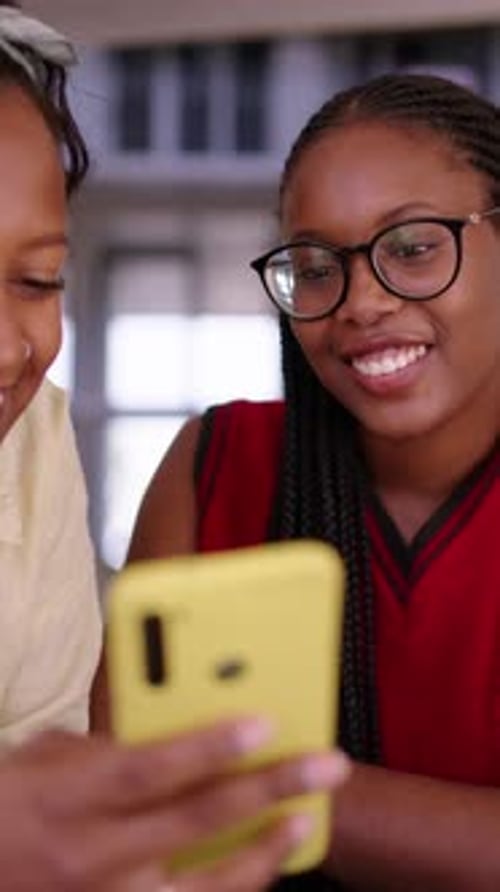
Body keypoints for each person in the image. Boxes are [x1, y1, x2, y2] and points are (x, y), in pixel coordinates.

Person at [95, 72, 500, 890]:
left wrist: (262, 796)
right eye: (315, 267)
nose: (358, 301)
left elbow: (170, 802)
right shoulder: (216, 463)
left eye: (413, 248)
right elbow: (124, 816)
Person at [0, 4, 350, 891]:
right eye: (312, 266)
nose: (10, 349)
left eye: (39, 281)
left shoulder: (32, 443)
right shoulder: (220, 456)